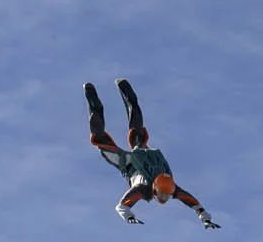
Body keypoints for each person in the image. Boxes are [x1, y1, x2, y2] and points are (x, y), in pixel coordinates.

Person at [85, 80, 217, 228]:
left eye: (166, 196)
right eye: (162, 195)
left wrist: (205, 219)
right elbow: (121, 206)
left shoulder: (171, 188)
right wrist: (129, 217)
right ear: (154, 188)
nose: (164, 198)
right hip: (127, 162)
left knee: (113, 134)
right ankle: (101, 100)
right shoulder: (142, 189)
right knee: (103, 136)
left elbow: (195, 204)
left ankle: (110, 98)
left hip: (138, 155)